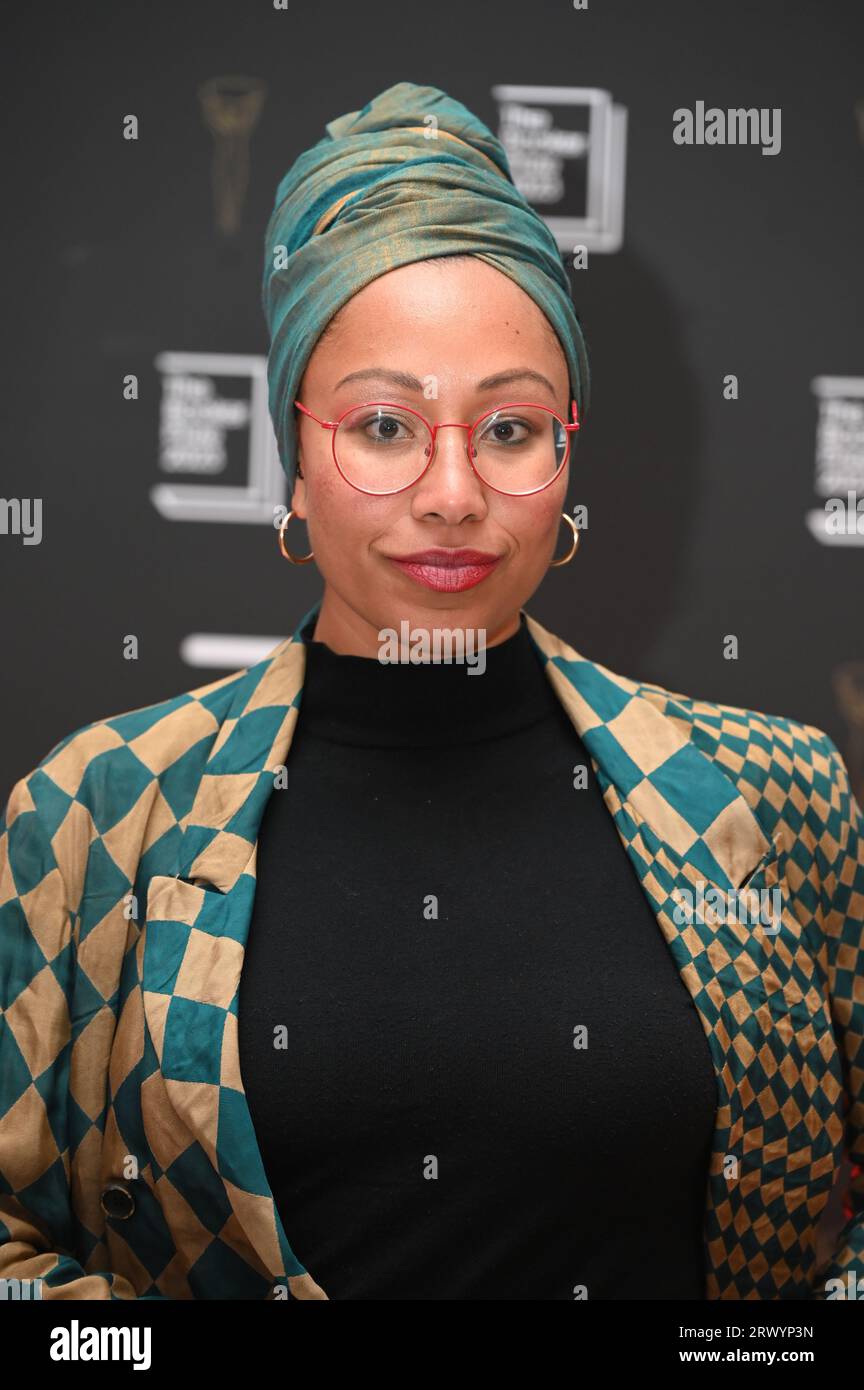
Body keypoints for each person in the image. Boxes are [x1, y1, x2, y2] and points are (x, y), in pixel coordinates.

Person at [0, 82, 861, 1302]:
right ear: (293, 458)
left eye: (508, 429)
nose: (453, 491)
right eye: (387, 425)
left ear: (566, 451)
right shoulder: (100, 815)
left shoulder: (772, 797)